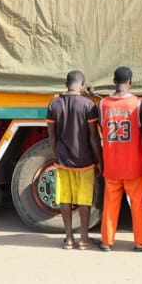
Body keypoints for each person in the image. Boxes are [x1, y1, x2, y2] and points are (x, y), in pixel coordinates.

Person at [46, 70, 102, 250]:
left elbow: (52, 136)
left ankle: (69, 238)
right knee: (84, 199)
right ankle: (84, 238)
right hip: (84, 160)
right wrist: (99, 159)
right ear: (82, 84)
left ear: (66, 84)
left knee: (65, 198)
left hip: (62, 159)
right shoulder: (88, 105)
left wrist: (56, 154)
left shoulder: (53, 104)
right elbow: (93, 137)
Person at [98, 67, 142, 252]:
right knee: (137, 203)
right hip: (134, 164)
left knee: (110, 203)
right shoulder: (138, 103)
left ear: (114, 81)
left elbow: (102, 127)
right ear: (130, 81)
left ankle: (106, 241)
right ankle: (141, 241)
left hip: (112, 163)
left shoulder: (103, 104)